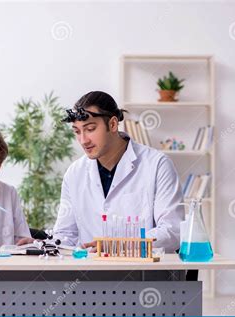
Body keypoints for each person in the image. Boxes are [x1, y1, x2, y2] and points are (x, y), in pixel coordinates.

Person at [51, 91, 183, 252]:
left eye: (90, 129)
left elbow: (172, 231)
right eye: (77, 132)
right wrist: (43, 242)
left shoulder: (157, 165)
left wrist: (117, 246)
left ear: (113, 124)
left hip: (143, 273)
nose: (83, 140)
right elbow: (66, 234)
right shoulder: (74, 173)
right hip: (90, 273)